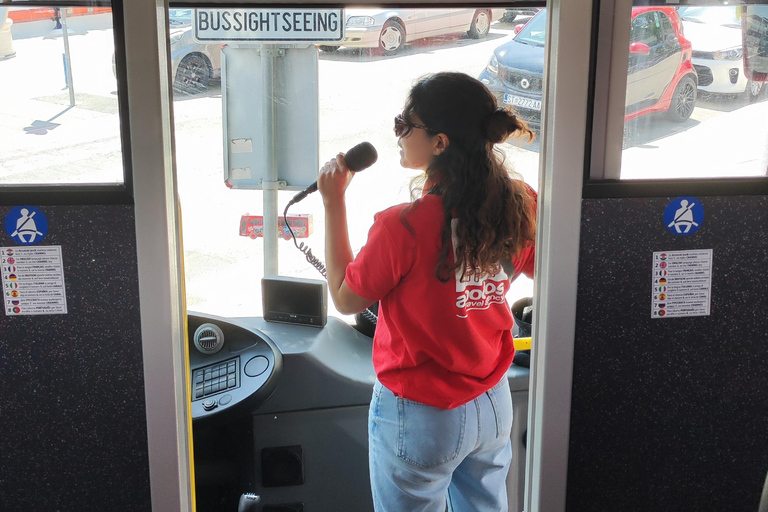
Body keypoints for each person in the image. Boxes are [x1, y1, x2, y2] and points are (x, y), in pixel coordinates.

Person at [317, 71, 537, 512]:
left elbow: (344, 299)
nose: (396, 133)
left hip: (421, 415)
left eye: (405, 124)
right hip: (492, 403)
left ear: (440, 142)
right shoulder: (521, 202)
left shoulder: (403, 225)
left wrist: (333, 201)